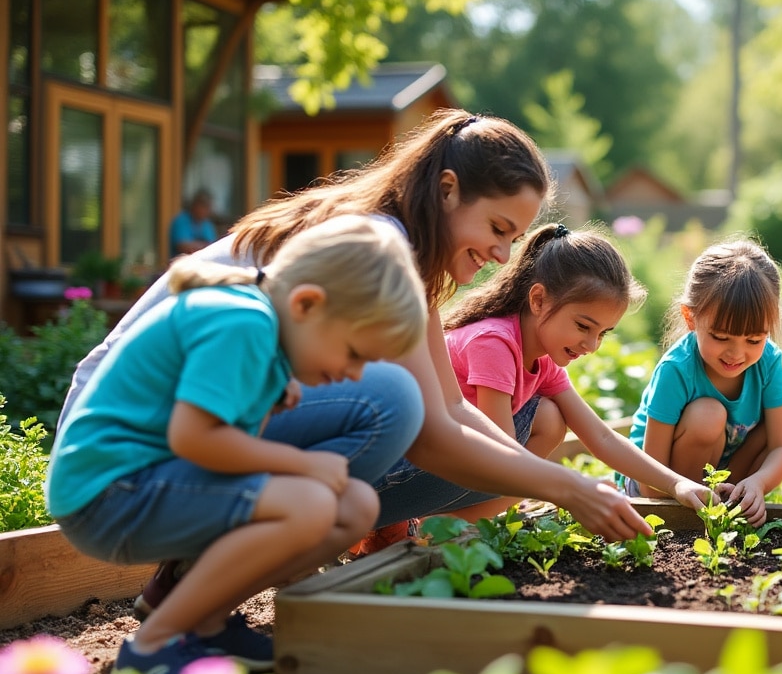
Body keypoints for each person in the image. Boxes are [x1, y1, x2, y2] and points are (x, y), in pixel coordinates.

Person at [61, 109, 653, 615]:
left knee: (416, 423)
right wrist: (565, 488)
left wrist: (563, 484)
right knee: (389, 403)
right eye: (498, 229)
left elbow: (448, 406)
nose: (503, 256)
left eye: (514, 237)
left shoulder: (404, 249)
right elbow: (431, 433)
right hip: (138, 444)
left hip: (177, 431)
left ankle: (195, 577)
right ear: (447, 190)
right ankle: (203, 570)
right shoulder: (377, 247)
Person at [47, 215, 428, 674]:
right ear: (308, 304)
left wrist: (265, 402)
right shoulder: (242, 321)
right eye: (354, 353)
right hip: (108, 492)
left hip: (148, 483)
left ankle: (203, 625)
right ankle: (154, 646)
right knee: (309, 502)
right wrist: (304, 465)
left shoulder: (264, 331)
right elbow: (195, 439)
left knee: (355, 506)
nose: (354, 373)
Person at [440, 222, 713, 515]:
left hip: (462, 465)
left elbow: (602, 436)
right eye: (583, 326)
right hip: (416, 467)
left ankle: (464, 519)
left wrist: (676, 484)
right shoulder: (494, 343)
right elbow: (506, 455)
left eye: (603, 333)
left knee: (550, 418)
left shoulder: (542, 359)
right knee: (545, 420)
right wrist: (577, 489)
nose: (592, 345)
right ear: (538, 300)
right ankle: (442, 524)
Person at [627, 239, 782, 527]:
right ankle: (692, 516)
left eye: (754, 340)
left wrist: (757, 483)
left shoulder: (768, 360)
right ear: (691, 317)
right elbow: (649, 484)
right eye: (720, 337)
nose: (736, 353)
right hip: (662, 487)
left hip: (723, 473)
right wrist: (678, 490)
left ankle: (735, 500)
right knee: (708, 414)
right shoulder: (676, 369)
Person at [170, 188, 219, 255]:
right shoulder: (181, 220)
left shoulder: (207, 224)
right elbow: (183, 247)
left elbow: (214, 248)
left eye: (208, 207)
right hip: (181, 263)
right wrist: (205, 246)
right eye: (203, 206)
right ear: (194, 205)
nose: (206, 210)